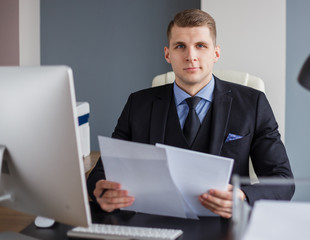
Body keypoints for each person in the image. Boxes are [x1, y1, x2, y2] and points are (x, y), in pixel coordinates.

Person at [87, 9, 295, 219]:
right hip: (153, 225)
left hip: (224, 226)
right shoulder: (138, 104)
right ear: (168, 54)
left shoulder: (253, 104)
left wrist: (242, 196)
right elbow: (102, 173)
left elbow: (283, 181)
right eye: (180, 46)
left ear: (216, 53)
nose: (190, 56)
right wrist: (100, 192)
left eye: (201, 46)